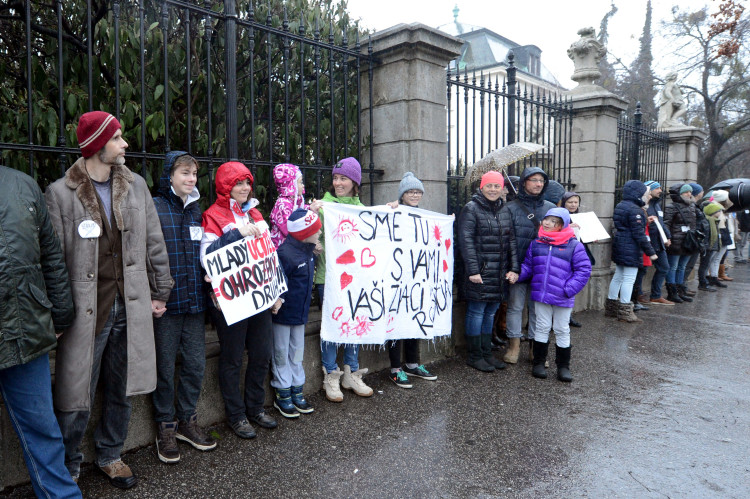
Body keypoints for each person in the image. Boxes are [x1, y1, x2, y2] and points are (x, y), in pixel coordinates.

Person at [45, 111, 173, 489]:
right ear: (98, 144)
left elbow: (153, 241)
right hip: (86, 309)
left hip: (130, 304)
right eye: (117, 138)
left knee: (122, 384)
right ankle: (67, 463)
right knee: (76, 390)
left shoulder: (136, 187)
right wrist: (55, 312)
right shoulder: (60, 193)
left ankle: (110, 455)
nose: (125, 144)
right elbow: (51, 258)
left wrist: (160, 289)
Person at [0, 166, 82, 498]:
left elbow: (50, 254)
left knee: (43, 429)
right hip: (24, 325)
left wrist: (60, 314)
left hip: (24, 327)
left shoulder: (20, 183)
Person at [201, 161, 281, 439]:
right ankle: (236, 415)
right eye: (238, 183)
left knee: (261, 354)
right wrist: (236, 234)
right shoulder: (213, 215)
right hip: (231, 302)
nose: (245, 188)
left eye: (247, 182)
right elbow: (206, 257)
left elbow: (268, 256)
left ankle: (255, 408)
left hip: (258, 299)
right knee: (233, 358)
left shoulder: (256, 213)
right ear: (225, 186)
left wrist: (275, 292)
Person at [151, 151, 216, 464]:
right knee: (164, 368)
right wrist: (153, 294)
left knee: (195, 364)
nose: (190, 179)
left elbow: (203, 251)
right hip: (165, 306)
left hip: (194, 303)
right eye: (184, 174)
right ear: (170, 176)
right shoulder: (154, 207)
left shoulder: (195, 210)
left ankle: (186, 421)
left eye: (193, 174)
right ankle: (165, 425)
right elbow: (148, 255)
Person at [314, 158, 374, 401]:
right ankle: (331, 374)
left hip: (355, 278)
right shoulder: (323, 206)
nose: (338, 183)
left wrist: (393, 209)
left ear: (355, 182)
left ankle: (351, 372)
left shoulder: (362, 210)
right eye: (336, 178)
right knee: (332, 326)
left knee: (354, 323)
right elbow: (308, 235)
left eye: (344, 179)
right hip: (326, 275)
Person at [518, 208, 591, 381]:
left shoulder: (574, 245)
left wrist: (569, 289)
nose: (547, 223)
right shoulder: (537, 243)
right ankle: (539, 362)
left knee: (561, 329)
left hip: (562, 296)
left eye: (553, 221)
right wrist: (517, 275)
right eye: (546, 219)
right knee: (541, 327)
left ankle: (563, 366)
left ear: (562, 225)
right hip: (542, 294)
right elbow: (529, 266)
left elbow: (584, 269)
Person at [459, 171, 519, 372]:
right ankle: (475, 355)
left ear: (502, 189)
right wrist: (473, 270)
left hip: (499, 272)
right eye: (489, 186)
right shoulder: (471, 209)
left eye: (497, 186)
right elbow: (465, 242)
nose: (493, 190)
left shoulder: (505, 210)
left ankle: (486, 353)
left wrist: (514, 268)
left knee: (490, 312)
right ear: (481, 187)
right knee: (476, 312)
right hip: (480, 272)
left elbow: (511, 241)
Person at [385, 172, 439, 388]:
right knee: (396, 323)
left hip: (417, 277)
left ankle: (412, 364)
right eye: (410, 191)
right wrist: (390, 208)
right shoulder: (393, 211)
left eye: (418, 191)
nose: (415, 195)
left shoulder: (423, 215)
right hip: (396, 277)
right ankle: (395, 368)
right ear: (402, 194)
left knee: (414, 319)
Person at [498, 167, 556, 364]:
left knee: (537, 308)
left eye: (541, 180)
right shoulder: (511, 208)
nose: (538, 184)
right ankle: (513, 345)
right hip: (518, 266)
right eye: (533, 180)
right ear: (524, 183)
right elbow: (505, 238)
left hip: (542, 267)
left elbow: (560, 235)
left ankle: (534, 347)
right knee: (514, 306)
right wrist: (511, 266)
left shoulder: (550, 207)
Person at [270, 208, 320, 418]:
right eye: (316, 230)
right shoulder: (285, 253)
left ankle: (297, 387)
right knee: (281, 353)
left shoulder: (308, 252)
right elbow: (279, 282)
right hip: (282, 316)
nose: (320, 234)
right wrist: (278, 300)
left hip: (300, 316)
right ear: (304, 233)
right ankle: (282, 391)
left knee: (297, 352)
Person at [606, 180, 657, 323]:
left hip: (620, 244)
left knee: (618, 276)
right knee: (629, 279)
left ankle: (611, 307)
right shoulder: (636, 210)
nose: (649, 196)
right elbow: (639, 234)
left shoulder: (621, 205)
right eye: (646, 194)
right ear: (638, 194)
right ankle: (624, 311)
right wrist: (650, 251)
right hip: (631, 247)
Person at [560, 191, 596, 327]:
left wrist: (592, 237)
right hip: (564, 256)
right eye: (570, 202)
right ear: (564, 203)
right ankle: (562, 318)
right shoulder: (560, 217)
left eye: (576, 202)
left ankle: (568, 316)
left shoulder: (581, 217)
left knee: (573, 287)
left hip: (578, 255)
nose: (573, 205)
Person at [269, 163, 322, 249]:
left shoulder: (294, 201)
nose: (303, 185)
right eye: (300, 182)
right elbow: (288, 229)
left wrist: (310, 208)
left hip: (291, 247)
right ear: (291, 185)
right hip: (282, 247)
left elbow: (298, 211)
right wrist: (307, 237)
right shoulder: (282, 204)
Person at [662, 184, 696, 303]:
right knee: (673, 267)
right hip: (676, 241)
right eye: (686, 192)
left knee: (682, 267)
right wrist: (667, 237)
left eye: (690, 192)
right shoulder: (672, 207)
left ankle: (681, 291)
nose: (689, 194)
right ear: (679, 193)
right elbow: (666, 223)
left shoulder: (692, 206)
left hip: (688, 241)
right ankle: (672, 293)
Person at [641, 181, 674, 305]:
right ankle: (638, 295)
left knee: (664, 267)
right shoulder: (645, 205)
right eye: (657, 188)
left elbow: (661, 223)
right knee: (642, 270)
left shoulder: (657, 205)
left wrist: (667, 236)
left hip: (659, 243)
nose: (660, 190)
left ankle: (656, 295)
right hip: (648, 242)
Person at [704, 201, 729, 288]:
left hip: (721, 238)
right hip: (716, 240)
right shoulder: (713, 214)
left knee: (716, 259)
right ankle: (707, 277)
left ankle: (714, 277)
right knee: (710, 260)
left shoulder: (721, 212)